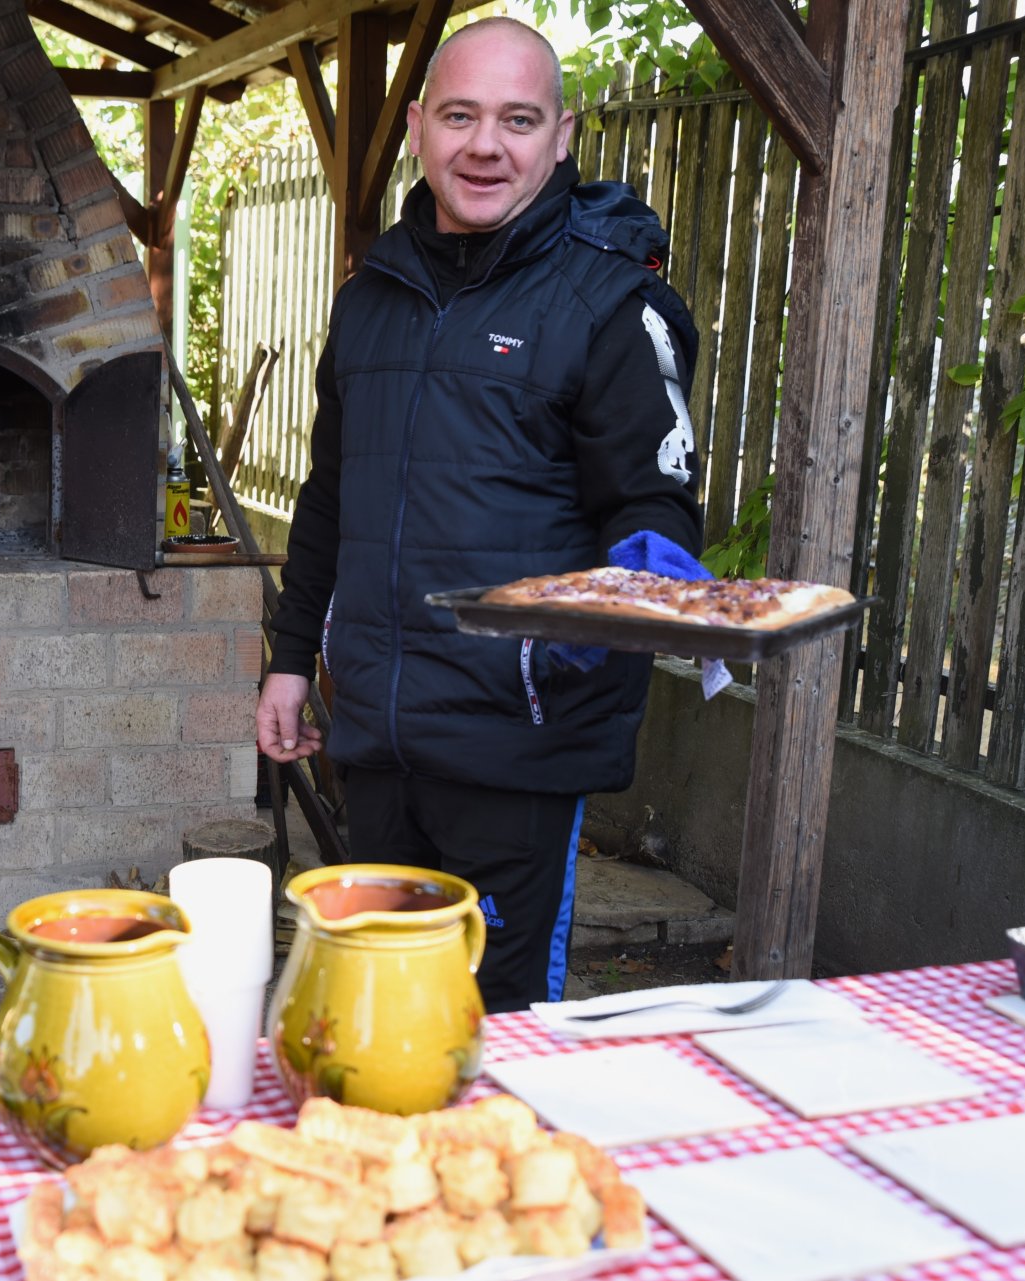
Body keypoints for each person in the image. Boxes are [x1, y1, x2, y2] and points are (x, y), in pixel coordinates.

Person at [257, 18, 703, 1014]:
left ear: (562, 134)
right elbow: (331, 494)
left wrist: (633, 593)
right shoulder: (369, 298)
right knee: (376, 1007)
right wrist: (290, 658)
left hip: (519, 741)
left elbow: (655, 502)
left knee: (497, 1031)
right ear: (419, 126)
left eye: (518, 120)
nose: (486, 146)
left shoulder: (611, 303)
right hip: (378, 738)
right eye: (460, 117)